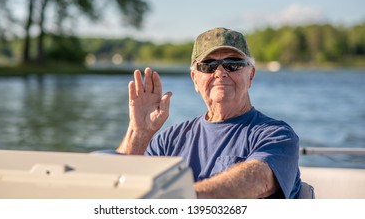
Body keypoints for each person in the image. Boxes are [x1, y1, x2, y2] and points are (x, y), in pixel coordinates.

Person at [116, 27, 302, 199]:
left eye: (232, 64)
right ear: (195, 79)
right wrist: (138, 134)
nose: (220, 72)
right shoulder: (168, 142)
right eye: (208, 65)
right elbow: (118, 188)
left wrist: (179, 199)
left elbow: (260, 179)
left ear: (251, 75)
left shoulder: (277, 135)